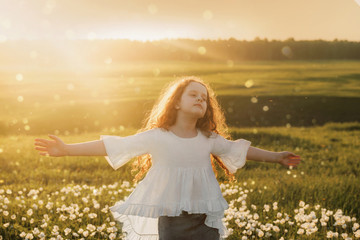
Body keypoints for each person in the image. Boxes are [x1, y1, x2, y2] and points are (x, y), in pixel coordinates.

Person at [34, 76, 301, 240]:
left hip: (205, 220)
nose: (200, 100)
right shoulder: (157, 136)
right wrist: (67, 148)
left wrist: (277, 157)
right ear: (176, 102)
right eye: (193, 95)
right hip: (172, 221)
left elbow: (239, 150)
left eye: (204, 98)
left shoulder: (207, 138)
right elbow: (114, 145)